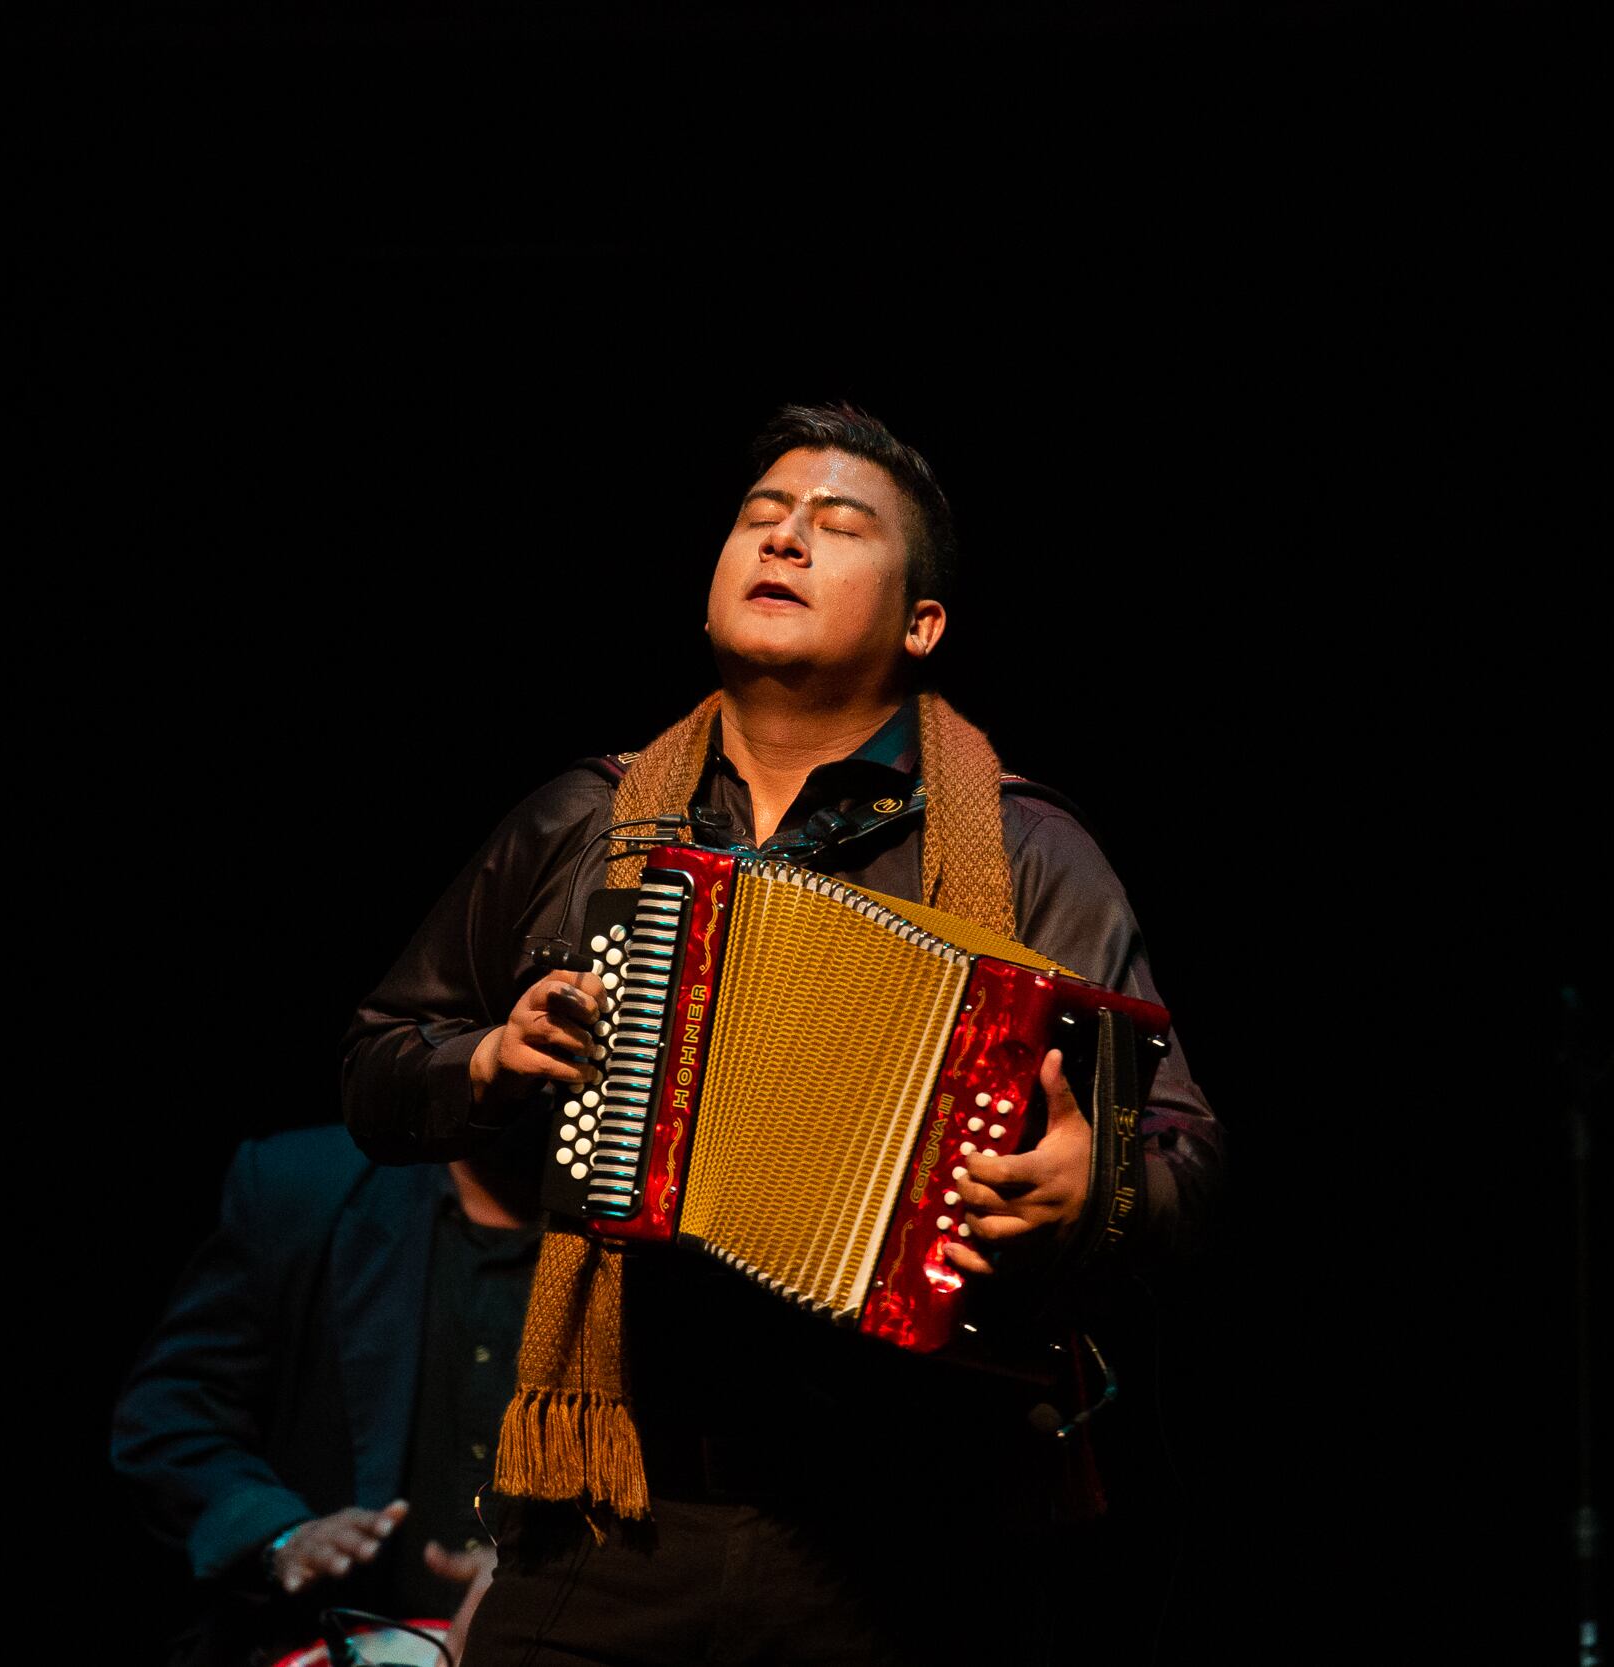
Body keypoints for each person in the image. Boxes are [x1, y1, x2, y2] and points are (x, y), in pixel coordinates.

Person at [341, 402, 1221, 1664]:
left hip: (914, 1533)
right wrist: (482, 1061)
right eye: (762, 517)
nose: (787, 538)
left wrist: (1096, 1186)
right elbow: (375, 1062)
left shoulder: (1028, 850)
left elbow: (1188, 1154)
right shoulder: (582, 817)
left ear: (922, 622)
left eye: (837, 524)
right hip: (610, 1516)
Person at [110, 1124, 543, 1667]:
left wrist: (543, 1578)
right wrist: (280, 1532)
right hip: (307, 1641)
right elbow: (167, 1417)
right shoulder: (303, 1185)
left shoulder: (654, 1235)